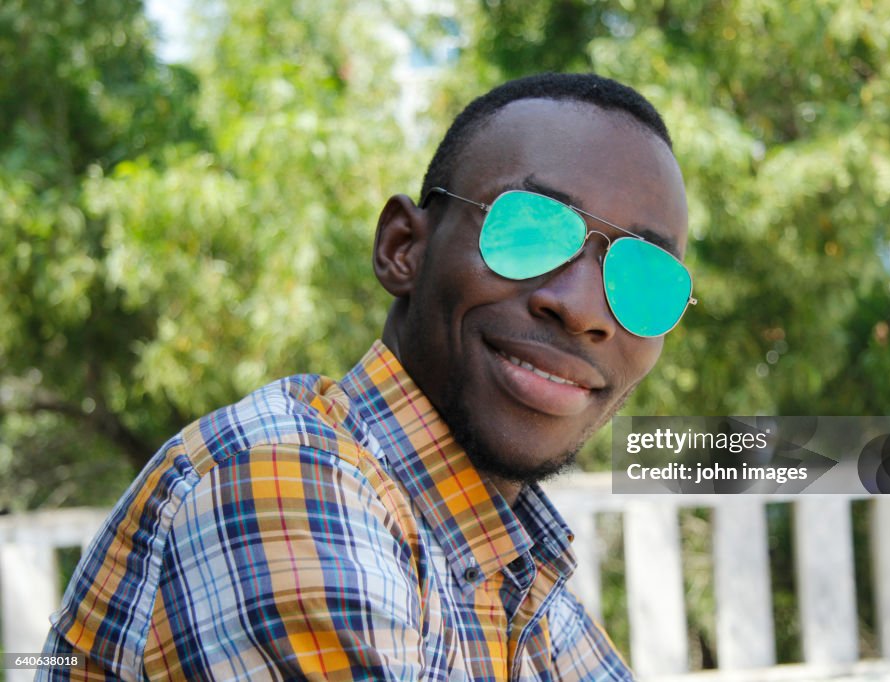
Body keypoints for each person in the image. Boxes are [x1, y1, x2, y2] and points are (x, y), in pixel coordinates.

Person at [38, 72, 694, 681]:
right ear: (402, 248)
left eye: (646, 281)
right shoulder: (281, 478)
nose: (583, 308)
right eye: (530, 231)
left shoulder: (515, 568)